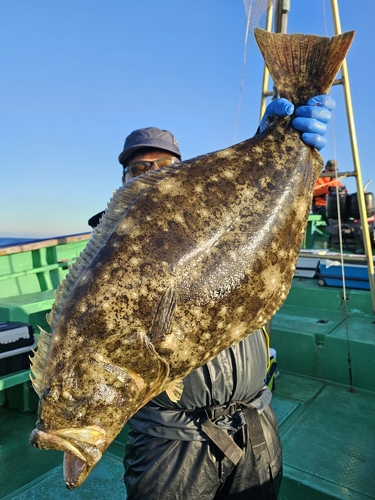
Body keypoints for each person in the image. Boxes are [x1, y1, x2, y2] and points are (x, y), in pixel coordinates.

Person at [89, 95, 335, 499]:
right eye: (138, 168)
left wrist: (270, 145)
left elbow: (255, 215)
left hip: (256, 423)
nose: (150, 175)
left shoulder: (221, 223)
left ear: (186, 171)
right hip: (170, 442)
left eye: (165, 166)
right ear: (123, 181)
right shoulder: (107, 251)